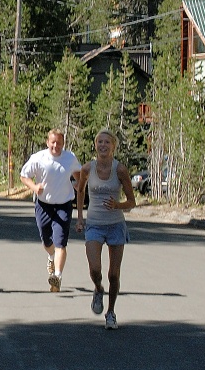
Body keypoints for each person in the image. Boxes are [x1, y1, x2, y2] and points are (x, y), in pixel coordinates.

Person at [75, 129, 136, 330]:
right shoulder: (86, 169)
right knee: (95, 269)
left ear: (113, 147)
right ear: (95, 145)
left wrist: (117, 205)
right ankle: (98, 289)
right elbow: (81, 190)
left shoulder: (120, 170)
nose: (103, 145)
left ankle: (110, 313)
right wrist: (80, 218)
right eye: (100, 142)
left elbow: (132, 201)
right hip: (94, 224)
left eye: (107, 142)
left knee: (114, 274)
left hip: (115, 225)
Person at [20, 129, 82, 292]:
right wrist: (34, 187)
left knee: (61, 241)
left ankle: (58, 276)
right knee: (47, 241)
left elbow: (78, 174)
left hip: (64, 204)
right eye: (53, 142)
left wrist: (77, 183)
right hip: (43, 204)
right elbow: (24, 176)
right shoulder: (38, 158)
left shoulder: (70, 158)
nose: (56, 145)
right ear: (47, 142)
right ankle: (51, 257)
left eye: (59, 142)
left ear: (63, 143)